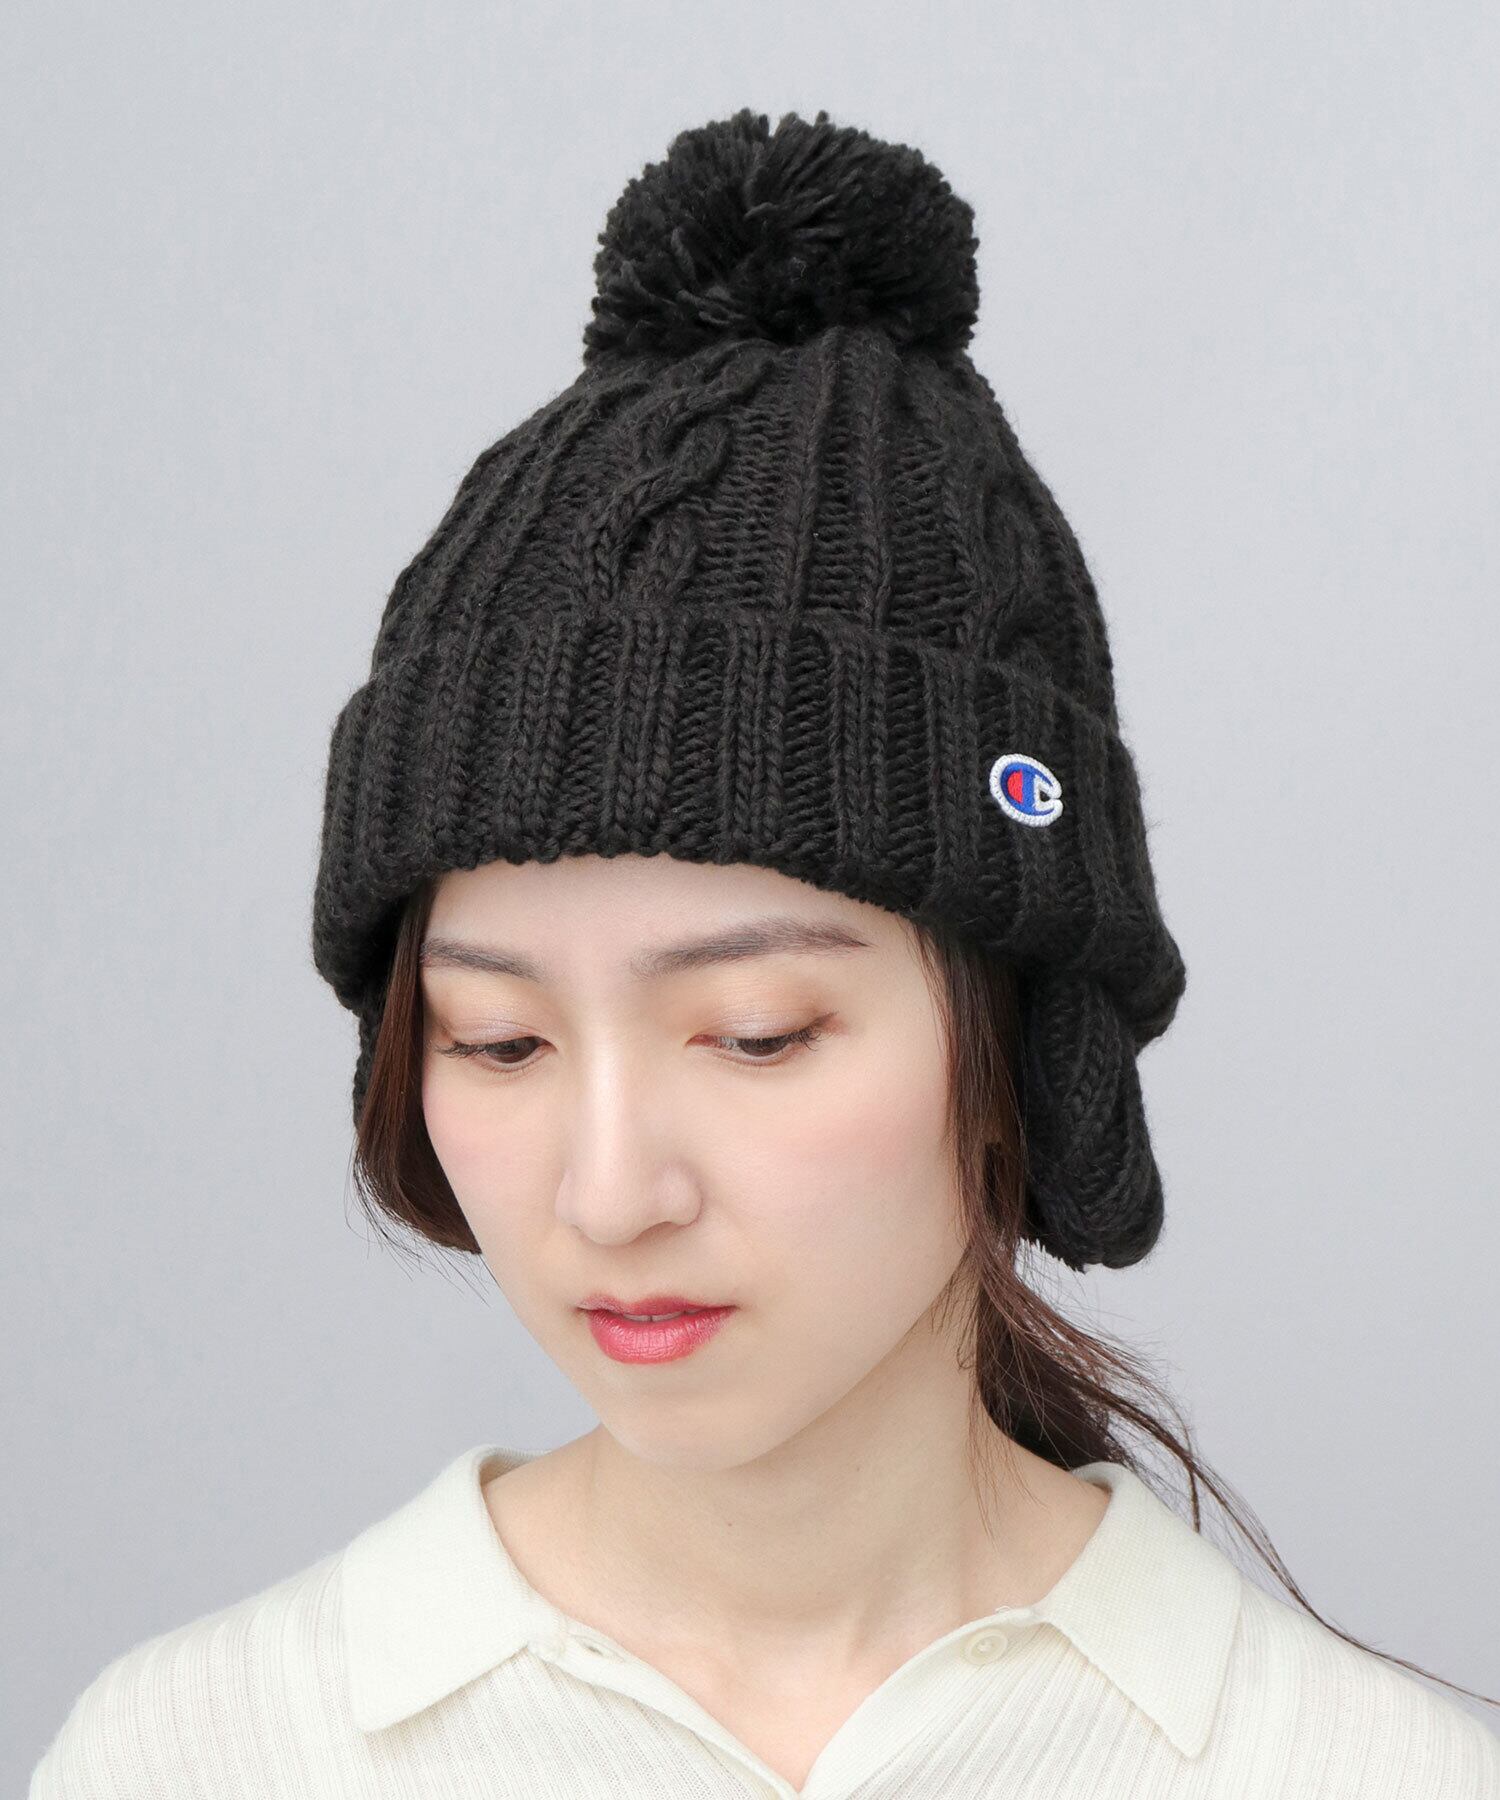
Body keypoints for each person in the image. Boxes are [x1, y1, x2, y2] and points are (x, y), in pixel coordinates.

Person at [30, 107, 1499, 1799]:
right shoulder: (202, 1755)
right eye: (498, 1042)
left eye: (755, 1033)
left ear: (1025, 1040)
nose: (608, 1196)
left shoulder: (1349, 1771)